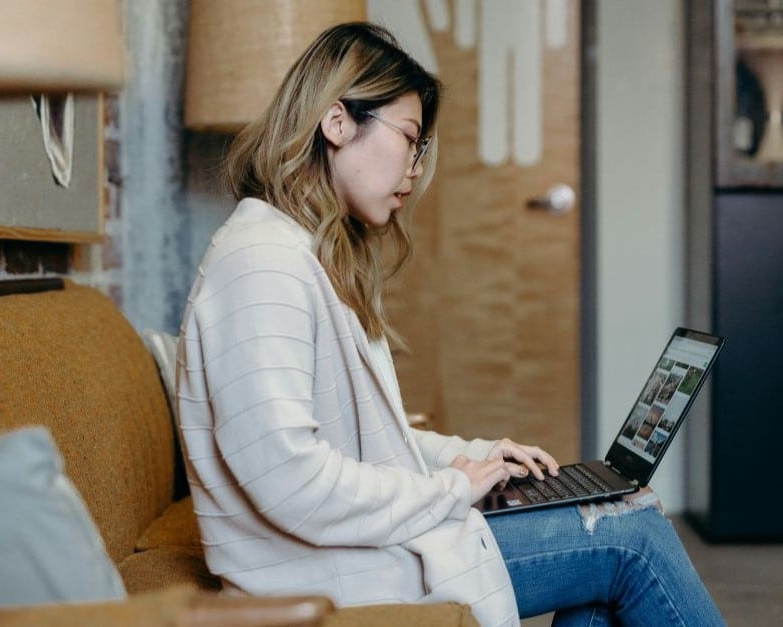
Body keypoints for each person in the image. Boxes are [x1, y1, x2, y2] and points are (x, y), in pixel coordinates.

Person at [176, 22, 725, 627]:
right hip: (328, 568)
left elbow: (360, 446)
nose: (414, 168)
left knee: (615, 515)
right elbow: (291, 478)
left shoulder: (298, 255)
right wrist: (449, 491)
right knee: (632, 534)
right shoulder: (260, 263)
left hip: (353, 548)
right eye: (409, 138)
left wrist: (476, 458)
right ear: (336, 123)